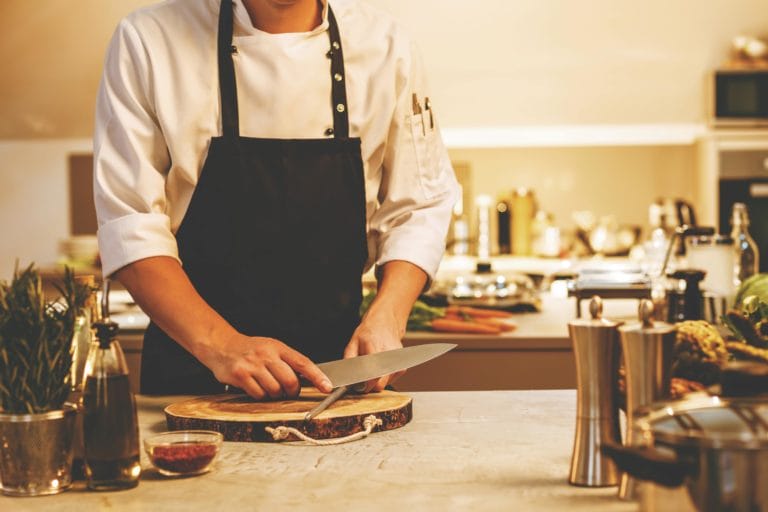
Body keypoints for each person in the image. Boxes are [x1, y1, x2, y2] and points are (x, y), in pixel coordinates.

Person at [93, 0, 459, 400]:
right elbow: (130, 222)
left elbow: (419, 206)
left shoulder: (388, 46)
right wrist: (222, 346)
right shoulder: (148, 40)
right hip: (194, 374)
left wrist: (387, 317)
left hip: (337, 379)